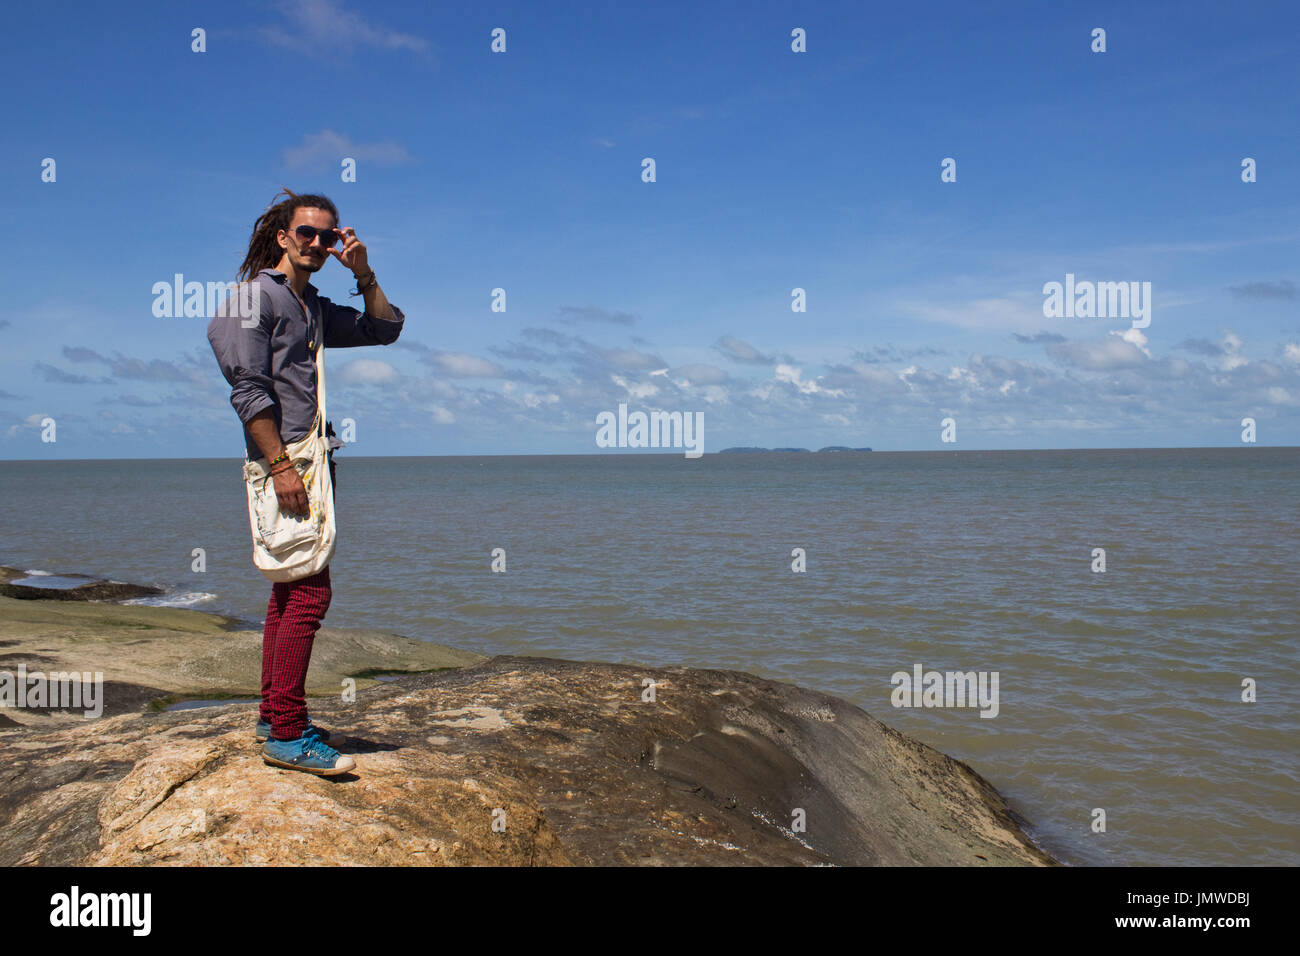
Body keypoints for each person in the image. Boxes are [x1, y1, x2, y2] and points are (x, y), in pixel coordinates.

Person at [206, 189, 405, 775]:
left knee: (291, 588)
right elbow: (248, 390)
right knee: (311, 594)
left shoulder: (311, 306)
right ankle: (288, 735)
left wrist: (363, 273)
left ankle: (275, 715)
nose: (318, 243)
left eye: (328, 235)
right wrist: (281, 467)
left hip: (314, 457)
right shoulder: (252, 299)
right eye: (307, 233)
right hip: (286, 461)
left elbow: (384, 329)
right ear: (283, 237)